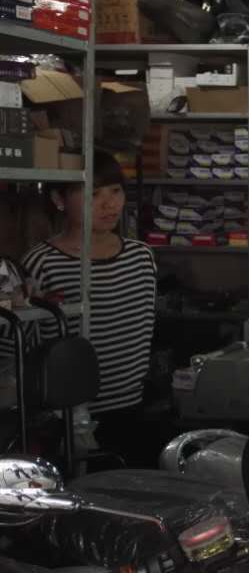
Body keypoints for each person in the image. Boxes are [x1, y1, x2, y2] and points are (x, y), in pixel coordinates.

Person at [18, 148, 158, 462]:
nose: (109, 204)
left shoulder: (141, 256)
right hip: (69, 417)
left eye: (115, 191)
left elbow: (142, 328)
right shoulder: (42, 262)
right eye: (93, 194)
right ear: (59, 200)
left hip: (133, 405)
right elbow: (19, 347)